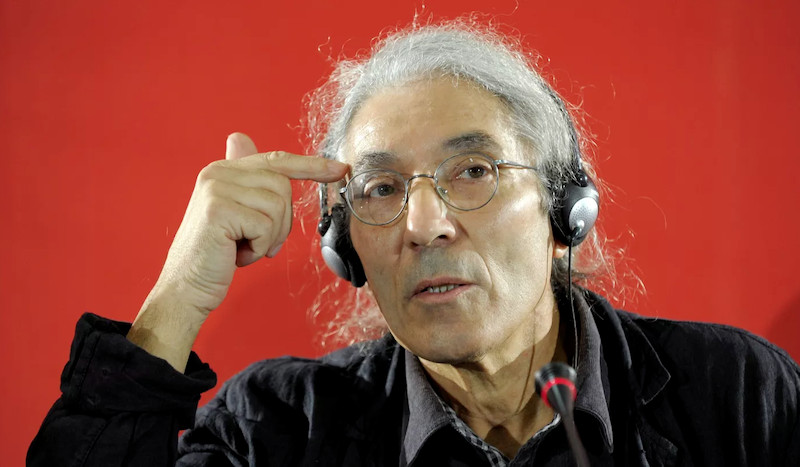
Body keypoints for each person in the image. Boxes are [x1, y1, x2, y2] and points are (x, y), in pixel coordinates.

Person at [28, 20, 799, 466]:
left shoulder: (736, 396)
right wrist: (178, 299)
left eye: (474, 171)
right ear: (345, 248)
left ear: (566, 212)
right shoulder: (277, 431)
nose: (423, 224)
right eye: (381, 188)